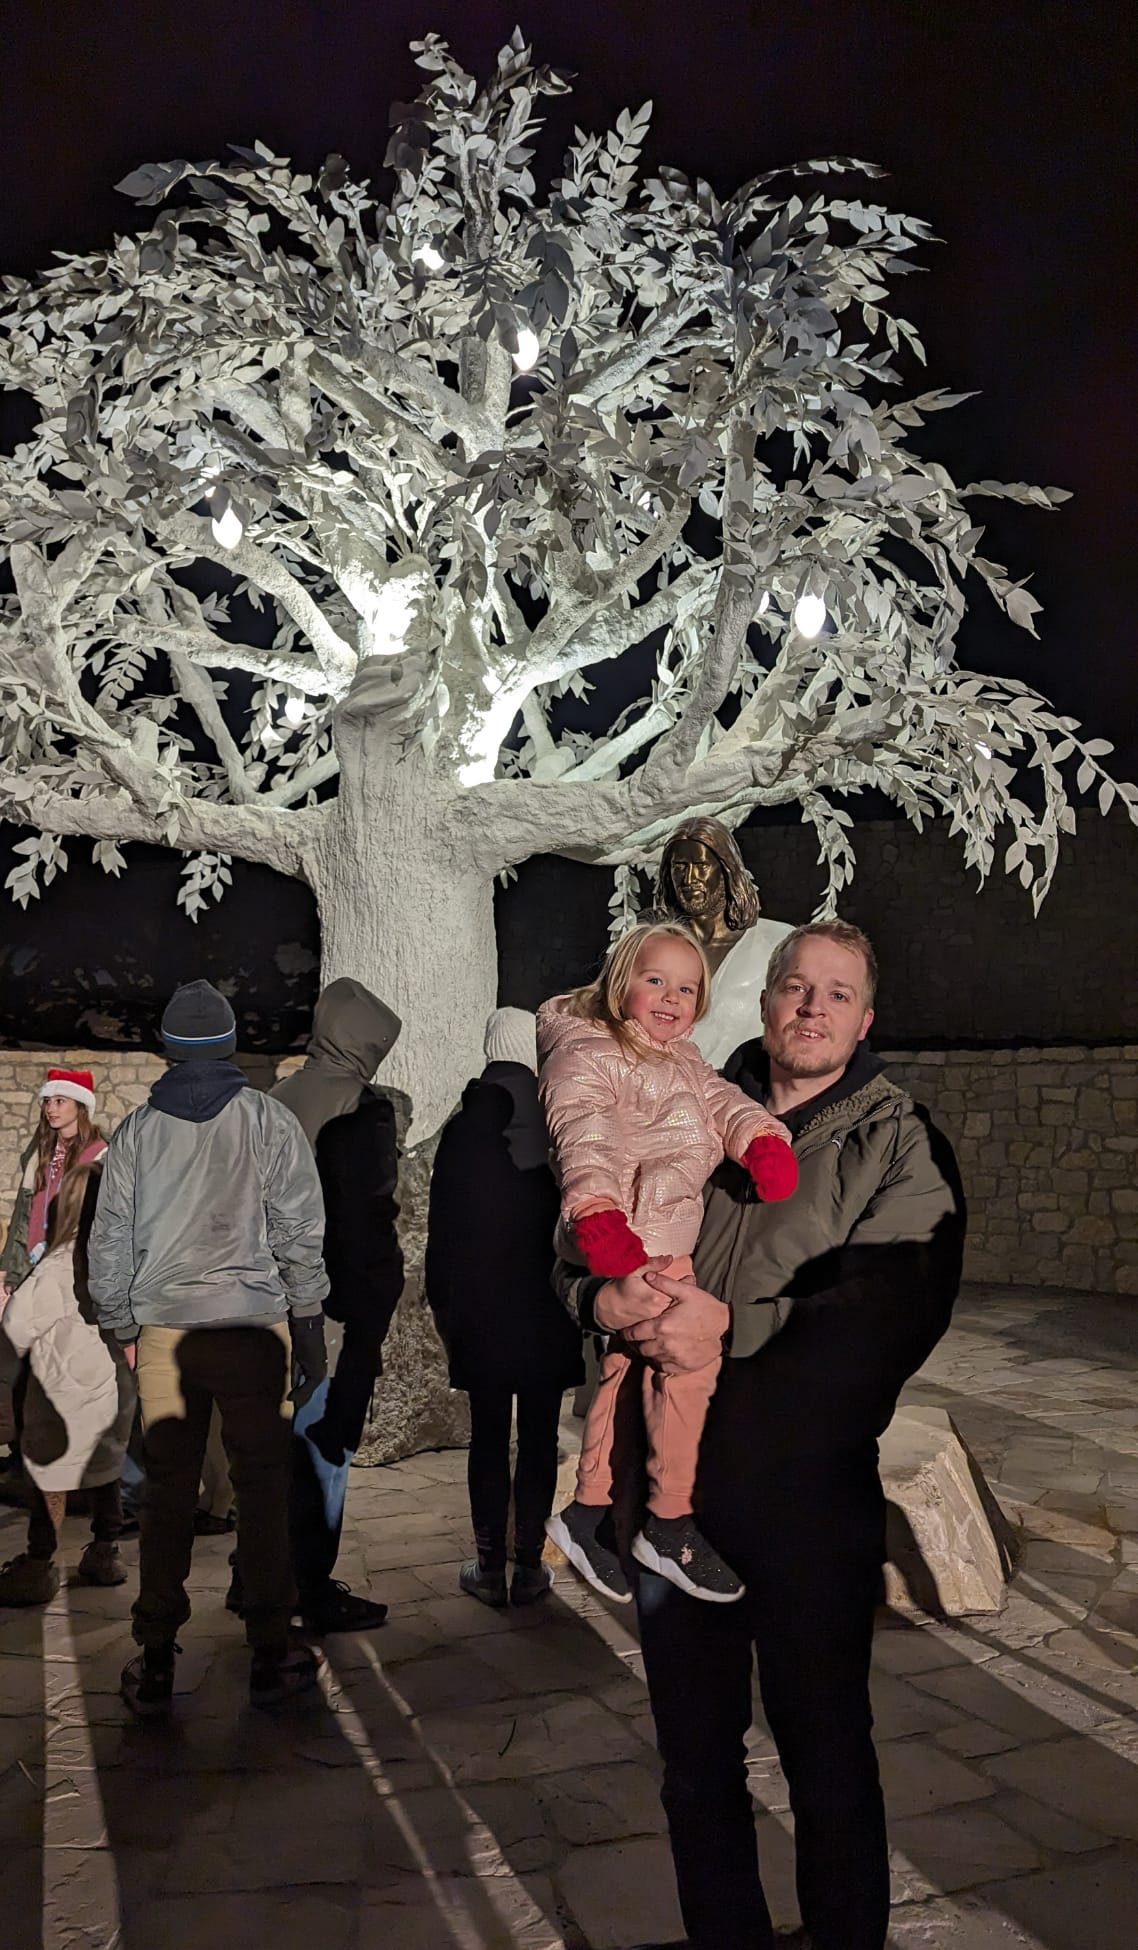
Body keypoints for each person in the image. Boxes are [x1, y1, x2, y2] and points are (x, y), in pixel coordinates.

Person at [556, 921, 965, 1950]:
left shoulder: (897, 1142)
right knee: (696, 1769)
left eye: (837, 993)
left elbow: (890, 1313)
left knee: (827, 1761)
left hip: (805, 1509)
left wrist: (733, 1328)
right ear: (766, 998)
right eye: (796, 986)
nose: (812, 1007)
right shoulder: (676, 1088)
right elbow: (572, 1226)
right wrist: (593, 1299)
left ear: (864, 1021)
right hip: (674, 1515)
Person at [87, 980, 330, 1717]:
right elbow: (299, 1227)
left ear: (168, 1049)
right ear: (228, 1045)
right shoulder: (267, 1119)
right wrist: (309, 1320)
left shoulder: (135, 1134)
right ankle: (271, 1646)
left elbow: (109, 1239)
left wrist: (120, 1325)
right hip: (255, 1329)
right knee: (262, 1487)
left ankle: (157, 1654)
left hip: (166, 1331)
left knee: (167, 1492)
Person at [538, 922, 797, 1605]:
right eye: (655, 980)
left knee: (627, 1369)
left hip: (662, 1241)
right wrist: (597, 1213)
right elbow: (582, 1135)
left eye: (686, 988)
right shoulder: (588, 1054)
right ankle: (671, 1522)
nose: (670, 998)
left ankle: (588, 1510)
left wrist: (761, 1140)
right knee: (689, 1364)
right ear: (620, 982)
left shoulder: (683, 1060)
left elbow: (724, 1103)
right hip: (627, 1239)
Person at [425, 1007, 584, 1608]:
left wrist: (445, 1311)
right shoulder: (558, 1121)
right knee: (540, 1434)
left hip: (481, 1311)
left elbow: (443, 1235)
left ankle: (489, 1567)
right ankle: (529, 1563)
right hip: (547, 1306)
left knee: (488, 1435)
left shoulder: (464, 1129)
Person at [269, 977, 404, 1633]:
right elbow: (365, 1220)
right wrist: (375, 1306)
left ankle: (258, 1576)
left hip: (261, 1300)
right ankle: (310, 1588)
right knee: (322, 1448)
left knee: (268, 1454)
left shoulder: (271, 1101)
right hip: (328, 1305)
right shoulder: (361, 1109)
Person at [0, 1164, 131, 1604]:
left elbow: (13, 1333)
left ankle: (40, 1563)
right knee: (106, 1475)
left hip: (57, 1402)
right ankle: (105, 1550)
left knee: (49, 1484)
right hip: (110, 1398)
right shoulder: (122, 1267)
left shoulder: (54, 1269)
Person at [1, 1069, 109, 1498]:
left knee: (69, 1369)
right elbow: (22, 1216)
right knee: (26, 1362)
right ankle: (25, 1459)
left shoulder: (100, 1152)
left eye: (60, 1101)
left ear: (80, 1106)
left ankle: (83, 1481)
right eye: (47, 1101)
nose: (51, 1108)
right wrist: (10, 1272)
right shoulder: (41, 1151)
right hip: (33, 1265)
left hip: (74, 1269)